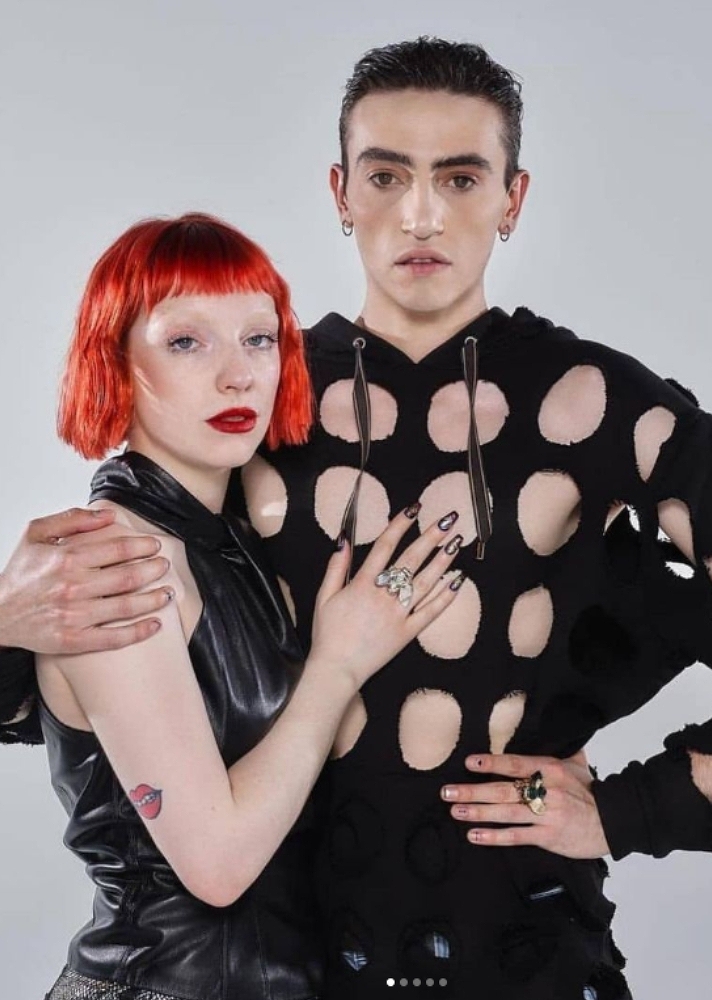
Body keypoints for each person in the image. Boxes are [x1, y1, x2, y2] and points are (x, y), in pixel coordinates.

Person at [1, 36, 712, 999]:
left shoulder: (600, 402)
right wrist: (10, 617)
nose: (421, 214)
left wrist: (630, 809)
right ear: (341, 192)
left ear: (513, 199)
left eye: (461, 178)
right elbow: (129, 699)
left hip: (528, 953)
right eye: (387, 176)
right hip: (298, 967)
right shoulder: (257, 401)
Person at [27, 211, 463, 1000]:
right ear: (115, 360)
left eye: (259, 339)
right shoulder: (114, 562)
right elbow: (219, 865)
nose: (238, 376)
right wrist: (338, 665)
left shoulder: (232, 541)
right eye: (185, 342)